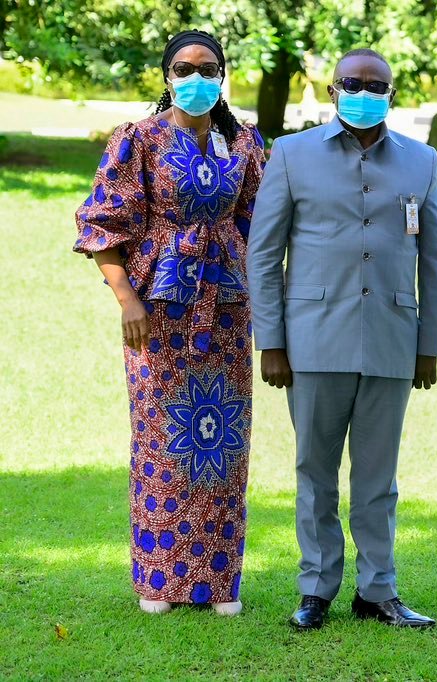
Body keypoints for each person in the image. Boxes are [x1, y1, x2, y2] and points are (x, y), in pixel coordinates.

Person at [248, 48, 437, 631]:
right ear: (333, 89)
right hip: (312, 339)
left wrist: (428, 344)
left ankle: (378, 591)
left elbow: (436, 259)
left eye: (376, 84)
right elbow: (264, 254)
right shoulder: (290, 154)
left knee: (377, 477)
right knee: (314, 470)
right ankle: (315, 589)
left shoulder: (422, 161)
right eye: (352, 83)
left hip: (392, 336)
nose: (364, 92)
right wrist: (273, 341)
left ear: (393, 92)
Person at [73, 29, 265, 615]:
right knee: (162, 439)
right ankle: (160, 580)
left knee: (223, 444)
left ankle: (216, 583)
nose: (198, 78)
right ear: (167, 76)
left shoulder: (246, 144)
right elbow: (101, 223)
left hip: (228, 311)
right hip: (158, 311)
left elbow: (265, 224)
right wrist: (126, 298)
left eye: (209, 68)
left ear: (223, 77)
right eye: (186, 68)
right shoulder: (140, 140)